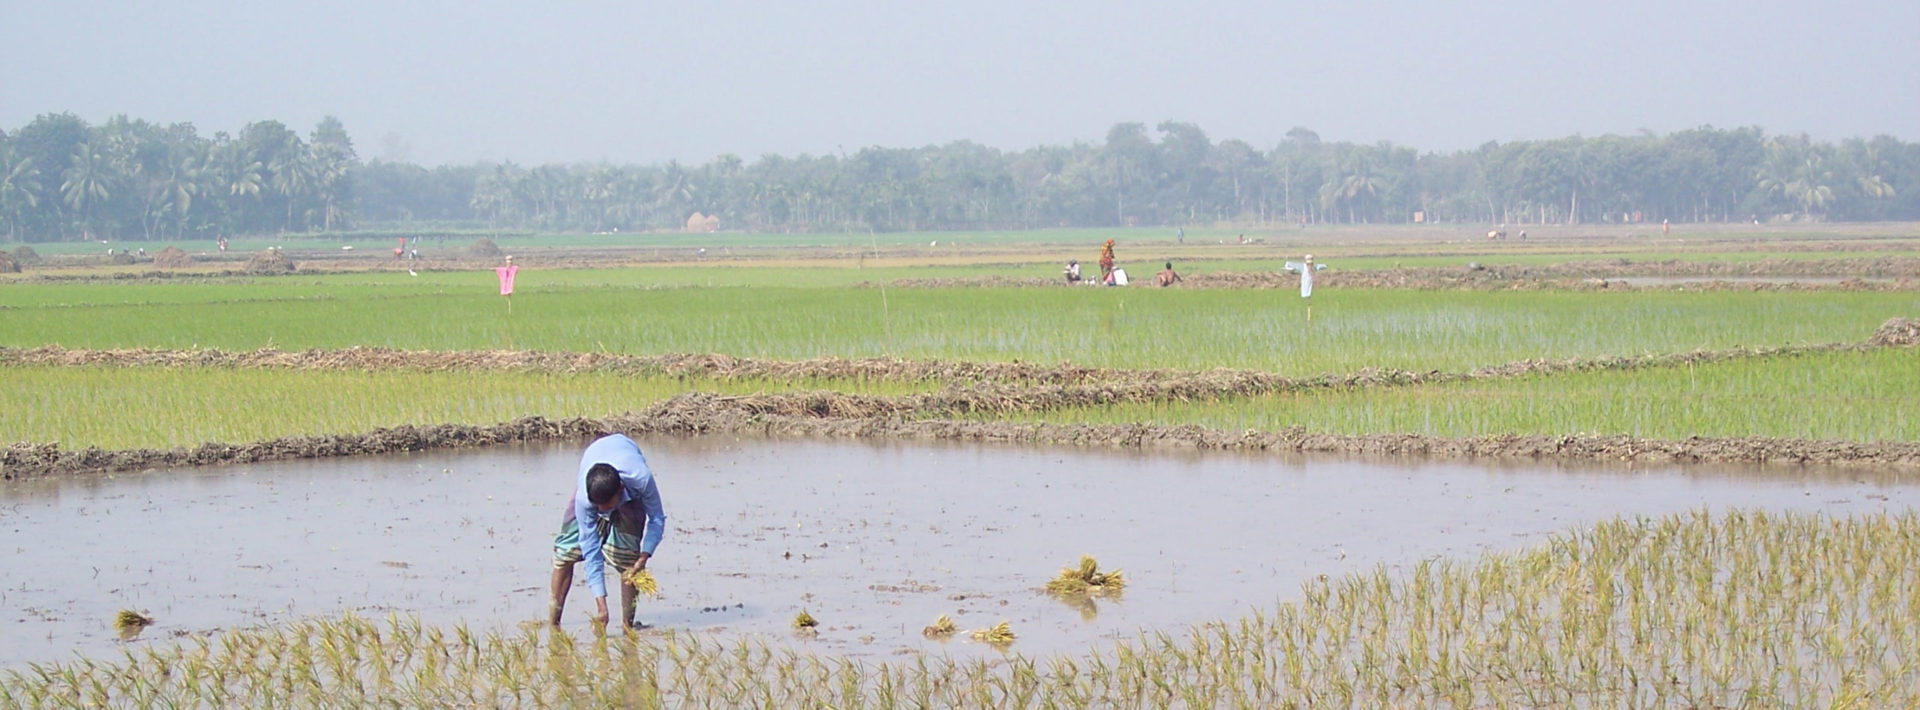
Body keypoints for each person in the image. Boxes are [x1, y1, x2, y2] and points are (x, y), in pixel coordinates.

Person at [550, 434, 667, 630]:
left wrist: (644, 555)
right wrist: (601, 604)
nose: (602, 512)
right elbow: (590, 549)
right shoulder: (584, 498)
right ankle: (553, 625)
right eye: (598, 508)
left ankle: (627, 626)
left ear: (620, 489)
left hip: (627, 474)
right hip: (596, 459)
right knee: (565, 553)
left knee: (628, 559)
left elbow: (657, 518)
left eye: (607, 506)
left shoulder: (640, 479)